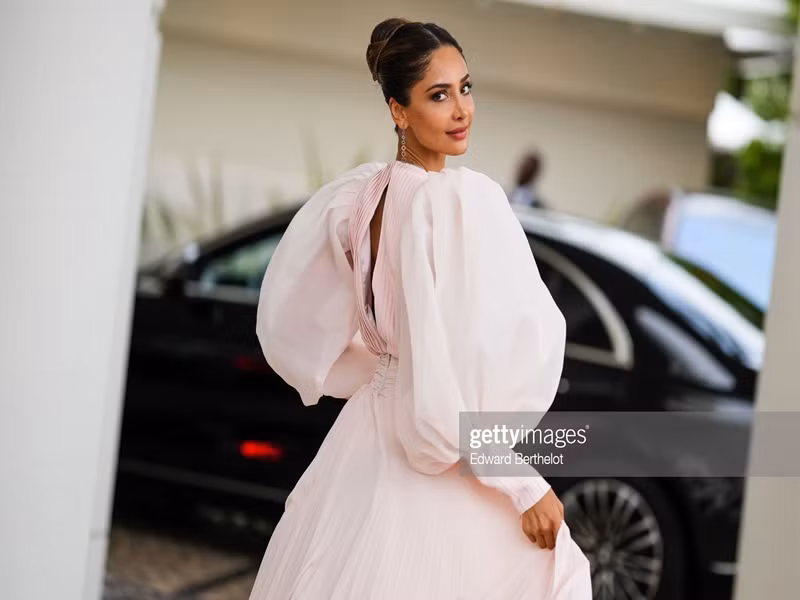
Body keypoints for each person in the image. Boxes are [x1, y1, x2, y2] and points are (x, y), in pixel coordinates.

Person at [249, 18, 591, 599]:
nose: (461, 109)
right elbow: (438, 399)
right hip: (429, 461)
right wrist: (524, 483)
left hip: (360, 443)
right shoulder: (454, 204)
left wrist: (377, 369)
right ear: (398, 110)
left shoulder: (357, 199)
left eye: (465, 87)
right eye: (438, 95)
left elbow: (295, 322)